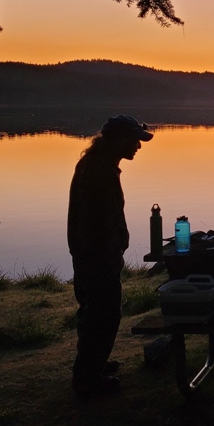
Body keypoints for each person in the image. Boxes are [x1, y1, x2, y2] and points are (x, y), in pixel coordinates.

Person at [67, 115, 153, 396]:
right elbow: (98, 220)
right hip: (96, 256)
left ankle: (91, 366)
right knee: (103, 314)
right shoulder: (98, 171)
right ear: (117, 140)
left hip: (92, 254)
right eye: (134, 140)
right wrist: (110, 250)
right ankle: (88, 380)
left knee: (94, 312)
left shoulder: (99, 165)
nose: (138, 147)